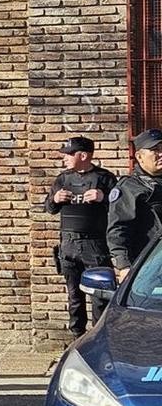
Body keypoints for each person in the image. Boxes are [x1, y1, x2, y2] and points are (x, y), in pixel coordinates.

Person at [44, 136, 116, 335]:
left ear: (83, 155)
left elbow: (121, 207)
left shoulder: (105, 178)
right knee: (74, 296)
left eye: (68, 154)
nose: (64, 159)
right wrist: (55, 199)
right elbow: (49, 208)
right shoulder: (63, 178)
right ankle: (76, 337)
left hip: (95, 245)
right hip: (68, 244)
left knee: (100, 296)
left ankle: (100, 337)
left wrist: (104, 198)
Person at [108, 129, 162, 283]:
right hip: (149, 268)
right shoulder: (129, 188)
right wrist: (124, 266)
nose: (161, 154)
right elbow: (118, 230)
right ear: (139, 157)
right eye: (155, 150)